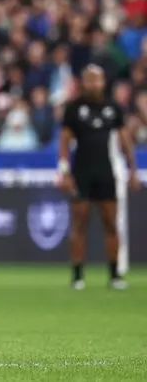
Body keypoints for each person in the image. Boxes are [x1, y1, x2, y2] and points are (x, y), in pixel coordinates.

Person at [57, 64, 140, 291]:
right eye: (90, 79)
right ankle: (77, 276)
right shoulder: (73, 109)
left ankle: (114, 275)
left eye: (98, 79)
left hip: (106, 172)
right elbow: (64, 140)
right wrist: (63, 170)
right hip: (81, 172)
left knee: (111, 223)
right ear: (83, 82)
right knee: (79, 223)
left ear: (104, 82)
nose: (94, 83)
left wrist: (133, 170)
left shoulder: (113, 108)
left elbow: (125, 141)